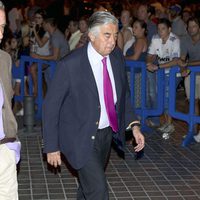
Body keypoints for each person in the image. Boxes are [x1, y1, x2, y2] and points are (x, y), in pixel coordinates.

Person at [43, 11, 145, 199]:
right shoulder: (70, 64)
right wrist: (51, 146)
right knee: (98, 191)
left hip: (106, 135)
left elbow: (123, 97)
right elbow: (51, 106)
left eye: (115, 35)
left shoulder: (116, 58)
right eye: (107, 35)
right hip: (78, 136)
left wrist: (134, 126)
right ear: (91, 35)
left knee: (87, 187)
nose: (113, 41)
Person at [147, 18, 181, 138]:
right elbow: (150, 55)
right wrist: (149, 63)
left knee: (168, 96)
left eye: (163, 29)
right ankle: (166, 122)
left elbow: (176, 61)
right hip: (161, 72)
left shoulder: (175, 40)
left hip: (173, 73)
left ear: (169, 29)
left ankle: (170, 124)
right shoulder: (155, 38)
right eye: (159, 29)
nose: (160, 31)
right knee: (161, 96)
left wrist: (157, 66)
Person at [0, 2, 21, 199]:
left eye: (3, 27)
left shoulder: (4, 59)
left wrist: (10, 144)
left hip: (3, 147)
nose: (0, 35)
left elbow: (7, 101)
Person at [178, 17, 200, 142]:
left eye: (194, 26)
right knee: (193, 101)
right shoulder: (185, 39)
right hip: (192, 73)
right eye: (189, 27)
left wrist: (188, 64)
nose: (191, 29)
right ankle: (193, 130)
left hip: (194, 70)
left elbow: (187, 62)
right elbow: (182, 58)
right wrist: (182, 68)